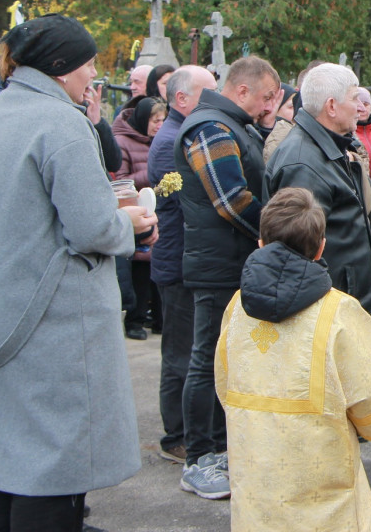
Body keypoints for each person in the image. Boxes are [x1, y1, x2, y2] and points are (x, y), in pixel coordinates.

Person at [0, 14, 158, 531]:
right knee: (55, 469)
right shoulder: (60, 122)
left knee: (14, 463)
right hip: (51, 322)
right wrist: (129, 224)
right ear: (62, 68)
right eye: (89, 63)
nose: (94, 73)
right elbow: (91, 229)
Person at [216, 187, 371, 532]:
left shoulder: (237, 307)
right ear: (321, 247)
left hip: (256, 490)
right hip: (325, 499)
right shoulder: (340, 313)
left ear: (261, 243)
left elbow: (225, 385)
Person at [175, 56, 280, 499]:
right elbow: (232, 199)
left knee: (227, 359)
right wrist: (278, 233)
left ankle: (221, 448)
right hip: (217, 265)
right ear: (242, 91)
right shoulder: (212, 128)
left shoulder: (228, 123)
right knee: (206, 360)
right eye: (266, 97)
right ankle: (199, 456)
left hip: (230, 260)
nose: (269, 106)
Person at [265, 63, 371, 321]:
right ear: (331, 106)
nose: (360, 107)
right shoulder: (303, 163)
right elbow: (298, 254)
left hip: (342, 300)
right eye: (354, 98)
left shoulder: (330, 146)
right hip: (327, 307)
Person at [147, 66, 218, 466]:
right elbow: (183, 200)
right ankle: (175, 435)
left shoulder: (185, 132)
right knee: (179, 354)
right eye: (205, 93)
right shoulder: (170, 141)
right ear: (181, 99)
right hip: (176, 262)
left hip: (186, 259)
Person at [113, 96, 167, 340]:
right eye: (155, 120)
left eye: (162, 120)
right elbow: (120, 180)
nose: (159, 125)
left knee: (155, 269)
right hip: (134, 210)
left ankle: (158, 318)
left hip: (154, 210)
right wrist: (152, 175)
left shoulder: (157, 141)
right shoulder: (122, 141)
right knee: (138, 271)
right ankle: (134, 320)